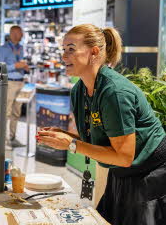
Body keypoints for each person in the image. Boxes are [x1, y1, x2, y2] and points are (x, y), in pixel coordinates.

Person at [36, 24, 166, 225]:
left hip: (150, 175)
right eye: (63, 50)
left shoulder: (114, 93)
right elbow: (100, 141)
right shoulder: (79, 90)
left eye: (71, 49)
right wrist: (67, 136)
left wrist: (71, 145)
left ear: (94, 52)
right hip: (122, 172)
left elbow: (123, 156)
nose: (63, 56)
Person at [0, 25, 29, 148]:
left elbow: (21, 64)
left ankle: (12, 137)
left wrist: (25, 67)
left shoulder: (21, 48)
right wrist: (16, 65)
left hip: (21, 82)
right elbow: (0, 67)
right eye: (15, 33)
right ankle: (4, 141)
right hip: (9, 83)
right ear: (10, 34)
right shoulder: (3, 49)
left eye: (20, 33)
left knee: (16, 112)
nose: (18, 35)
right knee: (7, 112)